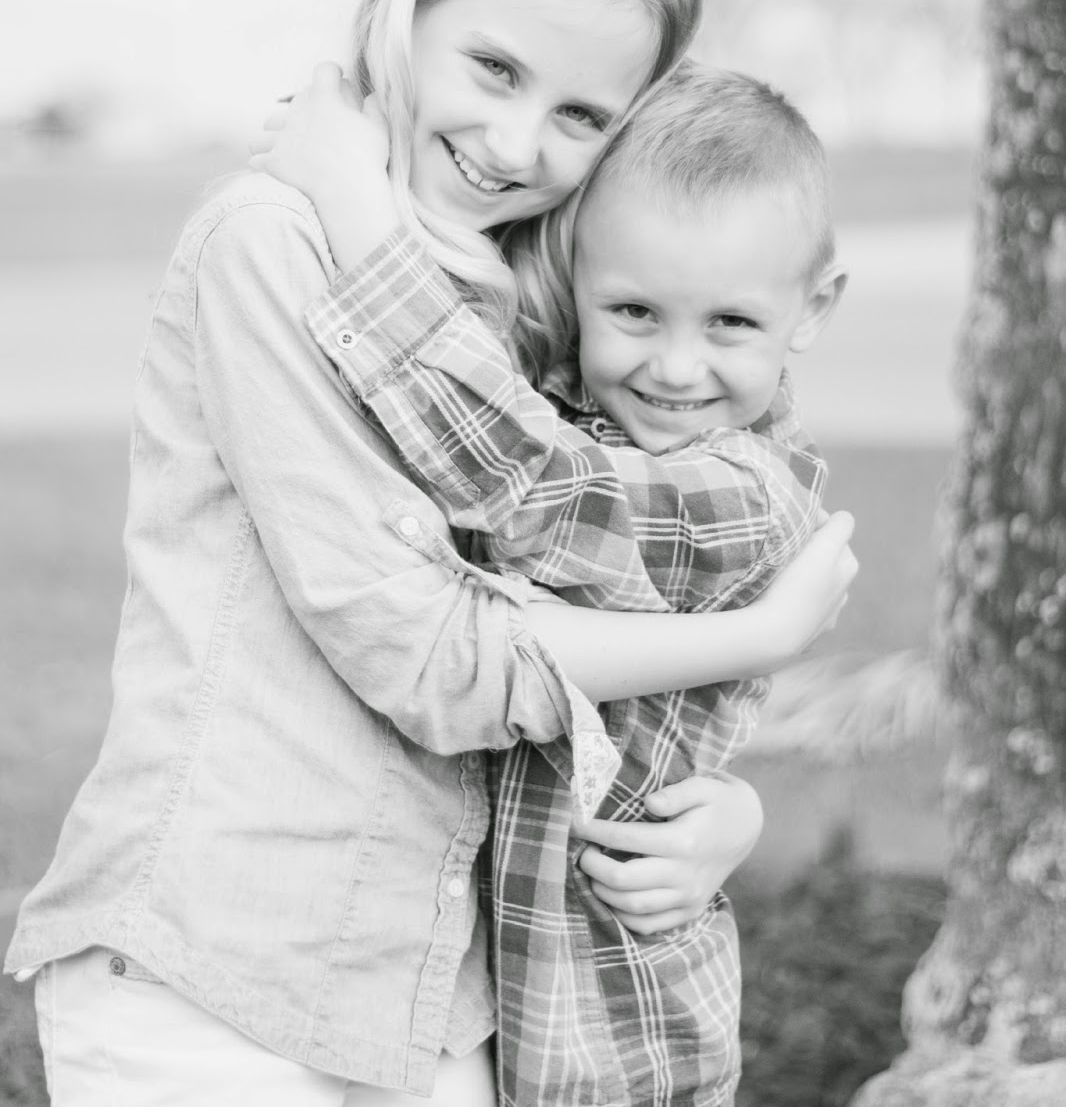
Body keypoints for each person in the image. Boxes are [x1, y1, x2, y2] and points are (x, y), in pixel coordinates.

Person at [5, 0, 856, 1107]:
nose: (515, 142)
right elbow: (432, 660)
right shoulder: (278, 240)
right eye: (494, 67)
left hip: (444, 996)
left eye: (581, 117)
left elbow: (625, 572)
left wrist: (720, 805)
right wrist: (758, 634)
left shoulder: (543, 293)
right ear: (411, 4)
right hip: (222, 975)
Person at [253, 62, 849, 1106]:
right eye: (634, 311)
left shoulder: (744, 496)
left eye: (730, 324)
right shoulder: (579, 414)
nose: (676, 367)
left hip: (616, 1025)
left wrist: (353, 207)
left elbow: (521, 477)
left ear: (814, 308)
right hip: (484, 1002)